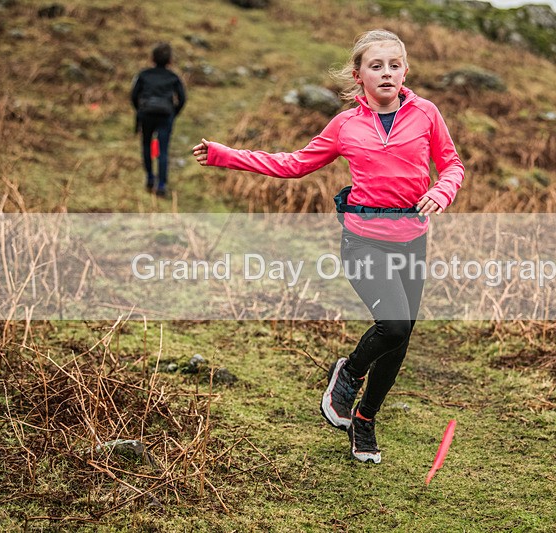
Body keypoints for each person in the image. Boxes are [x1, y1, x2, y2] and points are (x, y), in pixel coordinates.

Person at [192, 29, 464, 463]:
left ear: (405, 71)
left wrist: (443, 190)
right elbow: (295, 164)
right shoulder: (346, 125)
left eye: (394, 65)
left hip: (412, 241)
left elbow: (451, 164)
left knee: (401, 339)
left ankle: (365, 421)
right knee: (393, 325)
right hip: (363, 242)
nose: (387, 73)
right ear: (359, 76)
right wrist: (227, 154)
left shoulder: (427, 114)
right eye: (376, 66)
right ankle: (349, 372)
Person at [131, 42, 186, 196]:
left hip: (146, 114)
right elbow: (182, 99)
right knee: (163, 150)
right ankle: (161, 184)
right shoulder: (173, 77)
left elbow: (134, 96)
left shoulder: (143, 74)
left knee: (146, 146)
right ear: (170, 60)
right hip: (165, 116)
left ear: (152, 58)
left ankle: (149, 177)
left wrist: (140, 110)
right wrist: (174, 113)